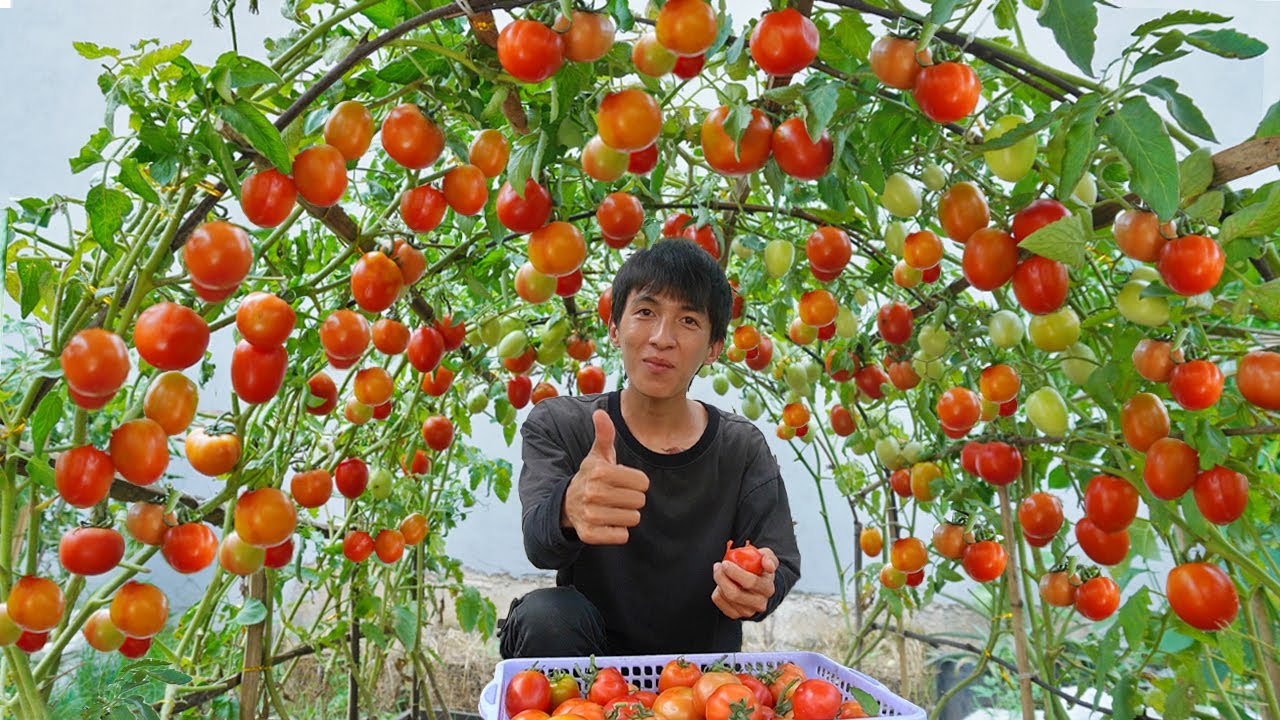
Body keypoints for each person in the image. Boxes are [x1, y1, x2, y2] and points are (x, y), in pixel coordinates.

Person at [498, 237, 801, 658]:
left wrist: (761, 585)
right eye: (645, 312)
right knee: (545, 616)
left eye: (689, 321)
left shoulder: (741, 448)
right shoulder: (562, 425)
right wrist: (569, 507)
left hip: (700, 678)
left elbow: (780, 559)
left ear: (714, 348)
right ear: (614, 327)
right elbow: (540, 543)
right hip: (587, 673)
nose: (662, 338)